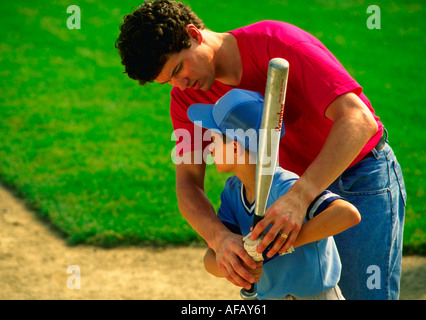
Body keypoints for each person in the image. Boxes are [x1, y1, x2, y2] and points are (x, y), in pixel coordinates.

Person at [115, 0, 407, 299]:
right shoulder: (186, 100)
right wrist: (220, 239)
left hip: (355, 177)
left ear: (193, 34)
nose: (182, 84)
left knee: (365, 293)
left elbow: (359, 119)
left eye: (179, 69)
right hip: (282, 194)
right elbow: (188, 182)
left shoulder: (277, 42)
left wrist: (299, 197)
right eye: (169, 81)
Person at [188, 88, 360, 300]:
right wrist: (236, 261)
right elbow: (210, 260)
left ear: (235, 147)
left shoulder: (284, 186)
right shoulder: (232, 192)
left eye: (214, 139)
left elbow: (347, 214)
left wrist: (275, 246)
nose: (210, 148)